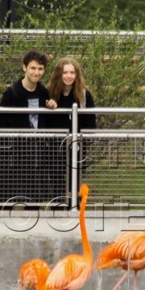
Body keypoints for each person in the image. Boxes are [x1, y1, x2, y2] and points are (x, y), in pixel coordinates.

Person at [0, 50, 50, 207]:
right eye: (33, 68)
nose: (36, 72)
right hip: (15, 156)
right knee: (6, 201)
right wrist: (4, 151)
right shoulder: (11, 93)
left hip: (37, 155)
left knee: (34, 202)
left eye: (40, 69)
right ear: (24, 68)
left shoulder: (44, 92)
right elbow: (0, 125)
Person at [40, 56, 98, 207]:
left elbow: (91, 125)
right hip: (54, 149)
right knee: (57, 184)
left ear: (77, 75)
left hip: (77, 149)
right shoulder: (48, 94)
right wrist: (48, 108)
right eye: (65, 72)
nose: (69, 76)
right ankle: (58, 214)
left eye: (72, 72)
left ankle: (75, 214)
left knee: (75, 184)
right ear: (59, 74)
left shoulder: (84, 96)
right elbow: (43, 124)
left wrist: (82, 143)